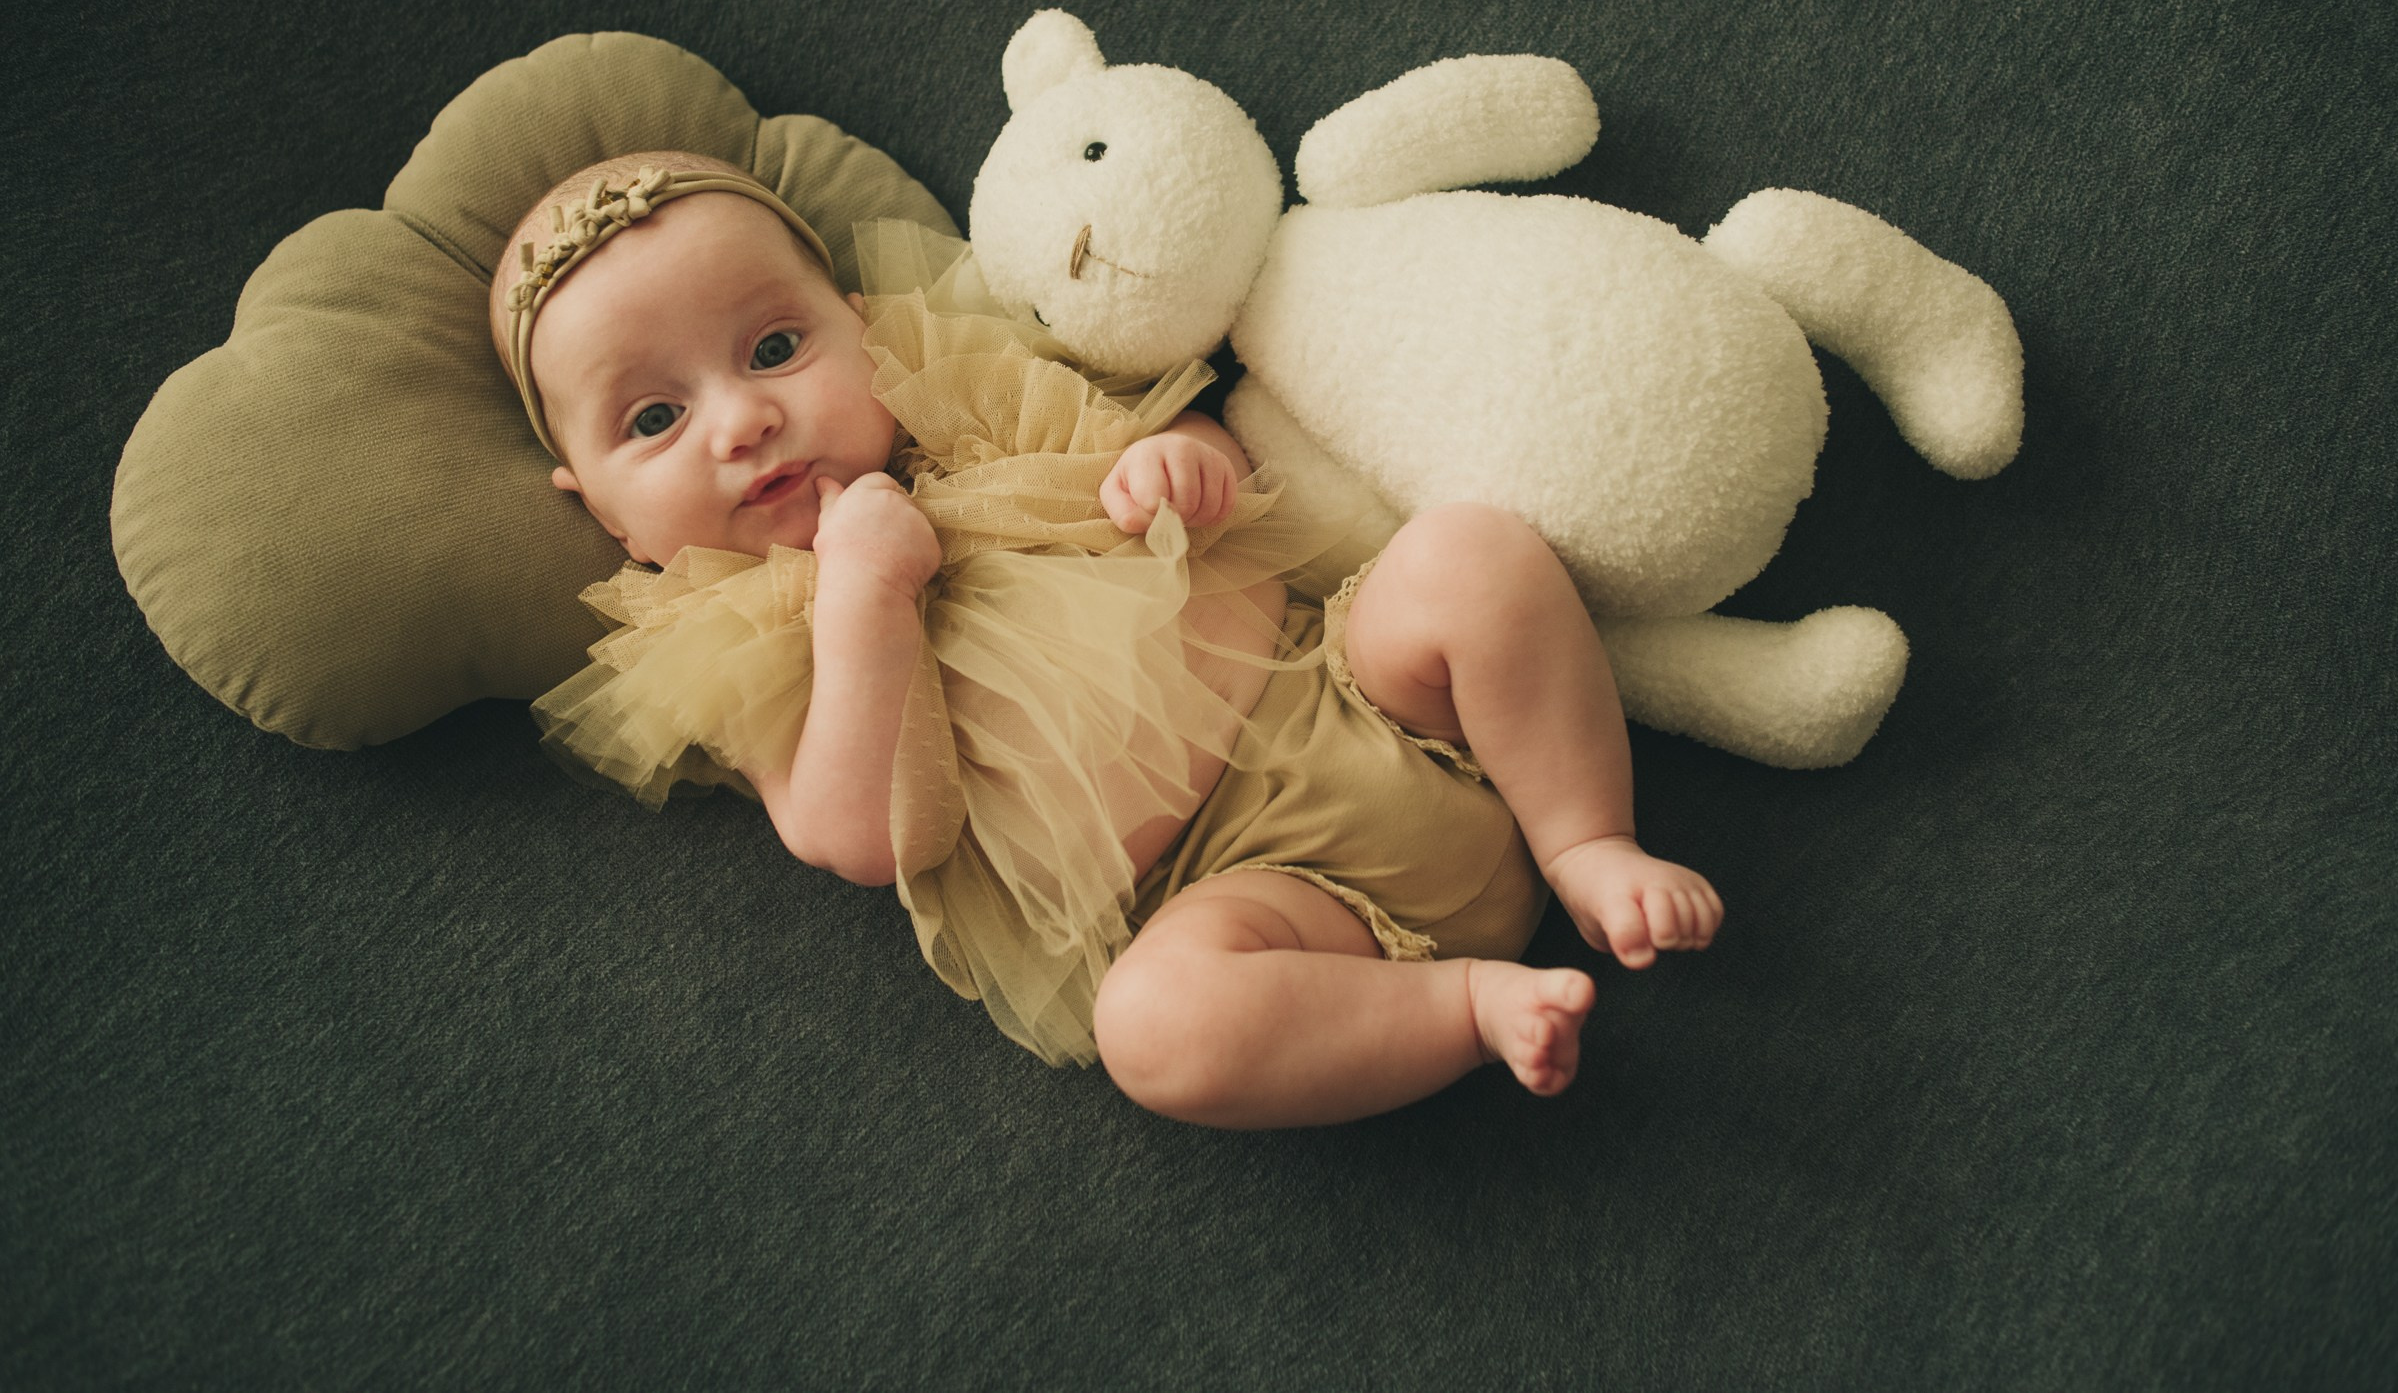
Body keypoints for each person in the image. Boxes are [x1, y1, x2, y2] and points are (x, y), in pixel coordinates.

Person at [492, 151, 1723, 1129]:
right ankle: (1462, 1005)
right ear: (593, 503)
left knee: (1470, 555)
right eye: (654, 417)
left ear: (861, 323)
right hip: (1252, 903)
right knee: (1157, 1031)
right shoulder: (734, 633)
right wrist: (864, 596)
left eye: (774, 349)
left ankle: (1586, 842)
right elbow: (859, 837)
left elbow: (1214, 480)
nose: (744, 419)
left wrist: (1176, 470)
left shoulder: (983, 405)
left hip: (1356, 689)